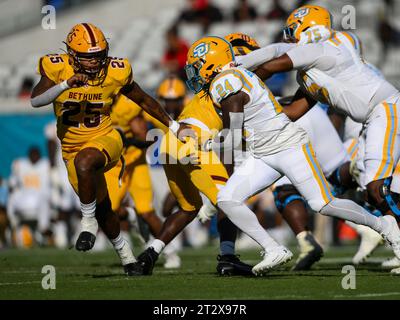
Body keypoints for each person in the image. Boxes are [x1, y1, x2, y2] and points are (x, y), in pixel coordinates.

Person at [184, 36, 400, 276]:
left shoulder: (225, 82)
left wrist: (204, 141)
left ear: (210, 63)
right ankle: (273, 249)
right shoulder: (231, 78)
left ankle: (384, 225)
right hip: (263, 153)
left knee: (323, 204)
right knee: (227, 199)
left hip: (288, 147)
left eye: (196, 67)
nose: (194, 74)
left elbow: (233, 137)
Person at [239, 5, 400, 273]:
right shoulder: (317, 64)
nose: (289, 38)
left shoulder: (322, 48)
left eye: (292, 32)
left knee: (375, 188)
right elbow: (292, 112)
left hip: (386, 109)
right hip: (376, 116)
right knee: (372, 189)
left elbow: (272, 64)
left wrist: (238, 80)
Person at [30, 23, 190, 275]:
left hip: (107, 137)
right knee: (105, 209)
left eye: (98, 55)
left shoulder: (115, 71)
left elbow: (144, 99)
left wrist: (172, 125)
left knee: (86, 163)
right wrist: (65, 85)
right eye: (88, 56)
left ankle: (87, 222)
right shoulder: (57, 67)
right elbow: (35, 100)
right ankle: (127, 258)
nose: (95, 61)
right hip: (70, 148)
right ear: (72, 55)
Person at [132, 75, 254, 276]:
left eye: (174, 100)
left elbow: (224, 139)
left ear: (183, 98)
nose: (170, 105)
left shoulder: (200, 104)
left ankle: (151, 254)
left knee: (196, 206)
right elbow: (141, 126)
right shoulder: (166, 112)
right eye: (167, 100)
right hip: (179, 156)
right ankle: (262, 250)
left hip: (199, 153)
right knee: (223, 200)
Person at [7, 147, 51, 246]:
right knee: (12, 196)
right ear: (29, 155)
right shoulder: (20, 164)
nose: (34, 157)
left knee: (44, 199)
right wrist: (12, 187)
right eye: (32, 154)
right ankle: (12, 222)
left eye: (36, 154)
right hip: (24, 198)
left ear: (40, 155)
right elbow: (12, 183)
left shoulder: (46, 164)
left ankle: (43, 229)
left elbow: (53, 181)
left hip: (40, 199)